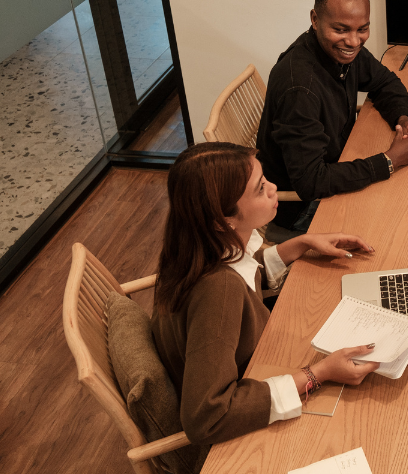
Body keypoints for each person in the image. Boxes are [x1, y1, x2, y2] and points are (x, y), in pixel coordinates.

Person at [151, 142, 380, 455]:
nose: (274, 188)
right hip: (232, 441)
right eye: (260, 189)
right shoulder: (218, 291)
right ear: (223, 220)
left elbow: (244, 270)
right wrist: (318, 374)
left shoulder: (195, 245)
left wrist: (300, 244)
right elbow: (205, 417)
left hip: (253, 367)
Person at [257, 0, 408, 239]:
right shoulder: (299, 89)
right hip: (301, 209)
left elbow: (384, 82)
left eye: (362, 29)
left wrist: (404, 119)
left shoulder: (341, 54)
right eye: (340, 29)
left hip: (338, 163)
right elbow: (311, 182)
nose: (354, 42)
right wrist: (390, 160)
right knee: (403, 226)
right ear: (315, 20)